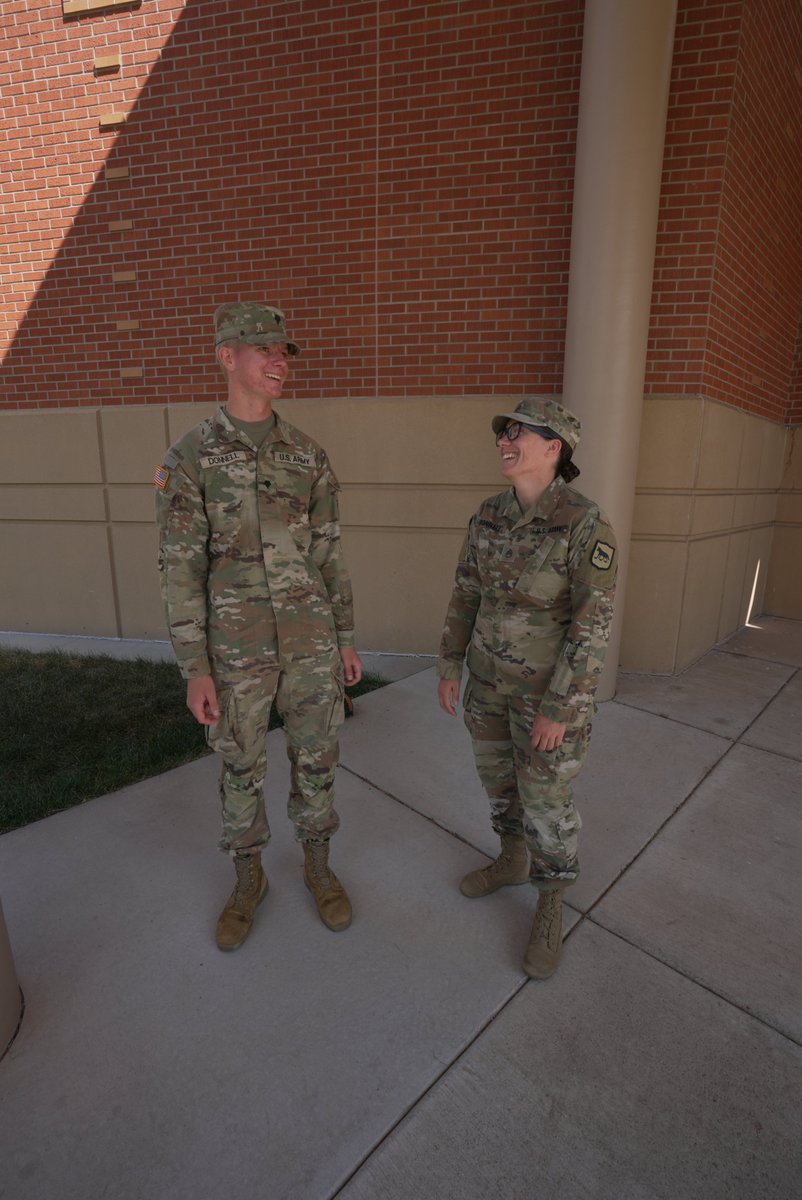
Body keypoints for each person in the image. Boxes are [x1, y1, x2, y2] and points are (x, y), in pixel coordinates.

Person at [154, 301, 362, 951]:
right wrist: (195, 669)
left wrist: (346, 639)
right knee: (240, 768)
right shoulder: (190, 459)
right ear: (227, 356)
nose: (279, 361)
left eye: (283, 352)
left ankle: (318, 865)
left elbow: (329, 553)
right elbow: (180, 571)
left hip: (310, 642)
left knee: (317, 759)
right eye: (265, 349)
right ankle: (249, 880)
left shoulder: (308, 457)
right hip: (235, 649)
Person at [437, 398, 617, 980]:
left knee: (546, 805)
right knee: (499, 786)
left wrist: (561, 708)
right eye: (502, 433)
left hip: (545, 699)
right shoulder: (487, 515)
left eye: (517, 432)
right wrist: (449, 665)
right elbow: (466, 593)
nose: (504, 441)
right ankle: (511, 860)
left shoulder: (584, 523)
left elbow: (592, 626)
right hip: (487, 688)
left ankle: (551, 901)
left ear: (553, 447)